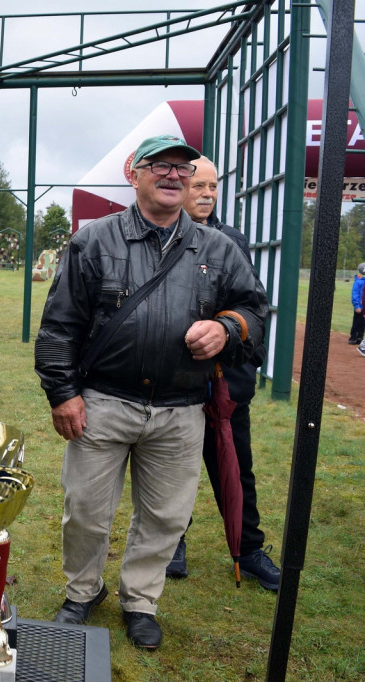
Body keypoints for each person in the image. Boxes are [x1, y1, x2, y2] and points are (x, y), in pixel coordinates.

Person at [34, 134, 268, 650]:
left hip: (182, 410)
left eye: (182, 169)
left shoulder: (218, 248)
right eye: (159, 166)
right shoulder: (92, 241)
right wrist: (63, 394)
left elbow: (256, 311)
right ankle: (82, 592)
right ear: (133, 174)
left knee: (165, 517)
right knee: (87, 512)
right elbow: (59, 328)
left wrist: (227, 328)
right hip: (103, 403)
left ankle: (140, 601)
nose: (172, 176)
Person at [164, 156, 280, 591]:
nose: (208, 194)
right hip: (176, 382)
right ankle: (173, 541)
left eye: (214, 186)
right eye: (200, 186)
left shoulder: (232, 241)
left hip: (226, 382)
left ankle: (248, 549)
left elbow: (254, 304)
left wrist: (247, 364)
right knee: (173, 469)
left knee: (236, 466)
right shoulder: (162, 236)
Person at [350, 262, 364, 346]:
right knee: (356, 322)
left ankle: (360, 337)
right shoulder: (358, 282)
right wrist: (356, 305)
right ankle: (353, 337)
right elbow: (355, 294)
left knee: (363, 323)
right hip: (359, 306)